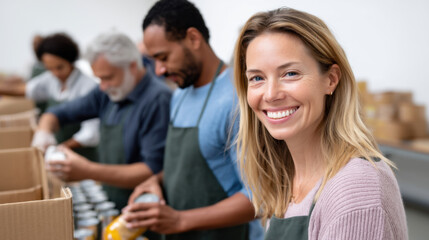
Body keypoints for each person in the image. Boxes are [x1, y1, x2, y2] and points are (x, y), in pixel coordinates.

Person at [233, 8, 408, 240]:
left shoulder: (356, 188)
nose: (271, 94)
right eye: (257, 78)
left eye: (290, 73)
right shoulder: (289, 180)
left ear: (331, 80)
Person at [122, 0, 264, 239]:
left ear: (193, 38)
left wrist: (180, 220)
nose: (158, 70)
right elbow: (192, 165)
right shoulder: (180, 94)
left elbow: (259, 197)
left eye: (163, 57)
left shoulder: (237, 100)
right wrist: (155, 181)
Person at [35, 31, 172, 212]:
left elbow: (151, 170)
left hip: (142, 206)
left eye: (107, 77)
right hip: (111, 200)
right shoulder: (106, 93)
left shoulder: (157, 100)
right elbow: (58, 113)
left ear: (132, 66)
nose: (102, 86)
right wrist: (44, 131)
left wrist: (88, 170)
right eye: (99, 78)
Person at [0, 33, 99, 159]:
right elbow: (25, 89)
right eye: (50, 69)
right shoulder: (51, 80)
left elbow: (91, 134)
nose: (55, 73)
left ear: (70, 61)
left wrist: (60, 148)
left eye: (60, 67)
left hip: (83, 157)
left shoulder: (88, 86)